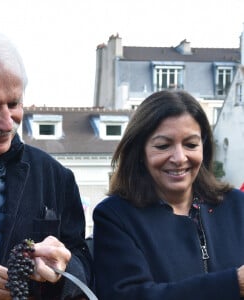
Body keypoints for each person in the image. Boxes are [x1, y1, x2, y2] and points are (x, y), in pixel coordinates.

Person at [0, 31, 92, 299]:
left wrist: (64, 267)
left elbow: (83, 262)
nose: (6, 122)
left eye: (14, 103)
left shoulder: (54, 175)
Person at [93, 90, 244, 300]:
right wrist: (233, 284)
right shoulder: (115, 217)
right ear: (140, 152)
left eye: (191, 145)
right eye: (163, 146)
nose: (180, 158)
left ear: (204, 147)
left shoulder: (237, 205)